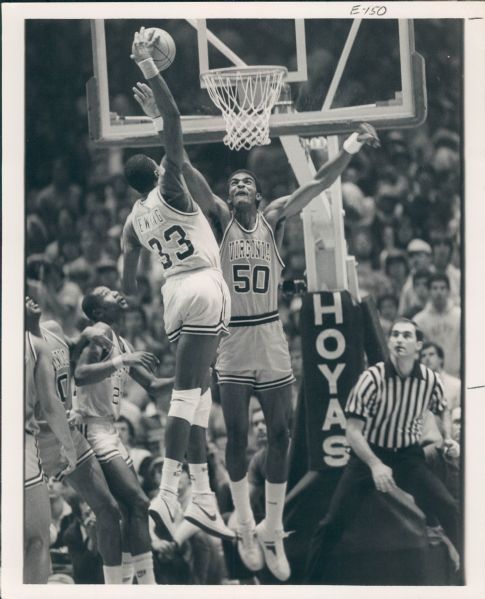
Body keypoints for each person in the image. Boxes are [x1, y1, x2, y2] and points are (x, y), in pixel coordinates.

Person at [177, 115, 379, 578]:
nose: (241, 184)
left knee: (282, 434)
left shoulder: (275, 217)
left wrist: (351, 143)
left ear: (260, 194)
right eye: (235, 182)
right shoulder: (219, 218)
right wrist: (165, 123)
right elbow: (185, 164)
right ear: (229, 196)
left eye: (248, 180)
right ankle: (244, 523)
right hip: (232, 337)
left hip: (269, 333)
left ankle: (271, 526)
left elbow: (322, 180)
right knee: (238, 438)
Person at [121, 27, 234, 543]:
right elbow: (173, 123)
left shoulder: (134, 220)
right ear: (159, 170)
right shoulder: (172, 186)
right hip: (204, 288)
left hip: (172, 296)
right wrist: (150, 67)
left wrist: (125, 298)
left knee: (199, 398)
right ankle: (169, 494)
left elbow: (127, 274)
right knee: (186, 400)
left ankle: (204, 500)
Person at [304, 318, 460, 582]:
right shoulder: (371, 378)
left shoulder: (430, 380)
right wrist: (375, 464)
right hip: (368, 455)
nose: (399, 339)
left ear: (418, 345)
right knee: (331, 524)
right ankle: (307, 587)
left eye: (406, 336)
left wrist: (447, 439)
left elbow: (440, 408)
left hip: (408, 457)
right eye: (395, 335)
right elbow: (352, 432)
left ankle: (472, 578)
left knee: (450, 508)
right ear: (389, 342)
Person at [26, 295, 134, 584]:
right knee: (35, 540)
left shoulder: (53, 328)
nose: (27, 299)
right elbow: (43, 403)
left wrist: (86, 333)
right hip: (36, 442)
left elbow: (71, 352)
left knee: (110, 510)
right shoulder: (17, 348)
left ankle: (115, 587)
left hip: (69, 433)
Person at [73, 285, 173, 584]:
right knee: (138, 503)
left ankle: (129, 581)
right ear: (99, 311)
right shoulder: (100, 333)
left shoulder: (121, 341)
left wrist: (188, 378)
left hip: (110, 429)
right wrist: (121, 362)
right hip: (92, 427)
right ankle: (143, 583)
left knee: (131, 511)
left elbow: (152, 386)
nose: (116, 292)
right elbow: (80, 374)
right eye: (105, 292)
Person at [24, 305, 77, 583]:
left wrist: (68, 446)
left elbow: (53, 402)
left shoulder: (40, 340)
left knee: (37, 541)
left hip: (25, 444)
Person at [414, 273, 461, 376]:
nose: (439, 292)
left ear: (449, 291)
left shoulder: (460, 316)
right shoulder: (419, 320)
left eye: (442, 288)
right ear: (429, 291)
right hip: (430, 375)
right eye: (435, 288)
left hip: (458, 374)